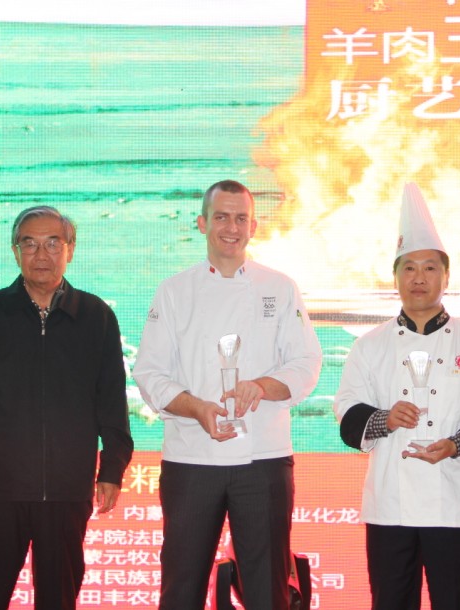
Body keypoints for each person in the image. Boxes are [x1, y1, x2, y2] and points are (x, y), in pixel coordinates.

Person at [132, 179, 322, 610]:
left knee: (267, 589)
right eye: (221, 217)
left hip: (264, 458)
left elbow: (306, 363)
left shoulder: (280, 287)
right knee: (181, 587)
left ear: (253, 226)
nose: (231, 228)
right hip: (190, 458)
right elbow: (149, 372)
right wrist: (196, 407)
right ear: (202, 223)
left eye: (240, 218)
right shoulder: (174, 290)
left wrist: (262, 386)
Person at [0, 206, 134, 610]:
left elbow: (112, 402)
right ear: (15, 251)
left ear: (70, 249)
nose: (41, 255)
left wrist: (112, 468)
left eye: (52, 244)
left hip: (67, 491)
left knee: (58, 600)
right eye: (29, 244)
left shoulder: (96, 316)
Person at [335, 183, 460, 610]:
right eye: (409, 268)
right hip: (389, 505)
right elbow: (347, 413)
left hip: (452, 502)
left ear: (447, 277)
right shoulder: (369, 345)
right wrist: (385, 418)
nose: (419, 278)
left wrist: (455, 444)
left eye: (430, 268)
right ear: (395, 278)